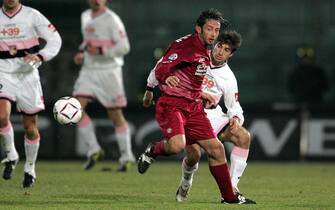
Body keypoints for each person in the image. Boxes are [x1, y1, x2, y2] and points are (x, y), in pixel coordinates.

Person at [137, 9, 255, 204]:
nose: (214, 37)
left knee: (228, 144)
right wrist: (151, 87)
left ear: (231, 55)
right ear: (199, 29)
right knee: (186, 152)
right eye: (210, 30)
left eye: (216, 30)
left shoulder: (226, 75)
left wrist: (235, 118)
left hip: (202, 111)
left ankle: (230, 195)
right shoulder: (189, 48)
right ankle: (179, 175)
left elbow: (234, 105)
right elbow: (162, 66)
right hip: (176, 105)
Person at [0, 0, 62, 188]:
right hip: (3, 71)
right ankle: (11, 154)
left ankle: (30, 167)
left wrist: (41, 56)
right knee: (1, 116)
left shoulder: (32, 15)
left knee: (30, 126)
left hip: (28, 74)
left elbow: (55, 39)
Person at [72, 0, 135, 171]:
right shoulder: (84, 16)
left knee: (115, 114)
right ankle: (93, 148)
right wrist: (81, 53)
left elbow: (124, 46)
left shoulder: (112, 19)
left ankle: (127, 155)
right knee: (74, 110)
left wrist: (101, 52)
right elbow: (88, 42)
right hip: (89, 71)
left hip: (109, 71)